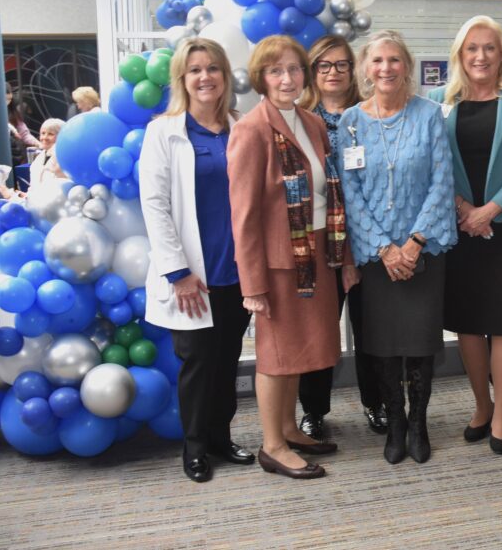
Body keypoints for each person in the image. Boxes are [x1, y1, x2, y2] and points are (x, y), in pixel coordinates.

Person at [229, 35, 347, 480]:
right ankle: (273, 445)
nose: (287, 78)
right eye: (276, 71)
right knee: (276, 355)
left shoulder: (311, 122)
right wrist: (252, 284)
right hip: (278, 263)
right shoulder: (252, 129)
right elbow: (244, 216)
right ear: (261, 77)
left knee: (297, 353)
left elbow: (329, 194)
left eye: (295, 69)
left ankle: (289, 428)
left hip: (314, 252)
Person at [138, 37, 255, 483]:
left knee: (228, 360)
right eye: (195, 70)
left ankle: (222, 438)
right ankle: (195, 446)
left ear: (225, 76)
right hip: (191, 275)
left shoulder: (241, 127)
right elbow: (154, 205)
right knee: (197, 362)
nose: (204, 77)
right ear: (182, 80)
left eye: (213, 68)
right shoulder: (163, 132)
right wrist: (178, 273)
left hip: (237, 270)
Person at [338, 30, 457, 465]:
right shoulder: (350, 122)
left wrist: (414, 243)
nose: (386, 68)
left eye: (394, 60)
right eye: (377, 61)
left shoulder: (430, 115)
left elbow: (442, 182)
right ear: (366, 68)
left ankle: (420, 422)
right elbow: (350, 193)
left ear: (406, 65)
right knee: (385, 345)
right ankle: (396, 423)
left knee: (420, 343)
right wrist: (386, 250)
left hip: (423, 251)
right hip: (376, 258)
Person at [427, 15, 502, 455]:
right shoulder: (438, 101)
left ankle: (500, 415)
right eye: (472, 48)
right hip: (459, 230)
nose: (481, 56)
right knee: (469, 326)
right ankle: (479, 405)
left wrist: (488, 211)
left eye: (490, 47)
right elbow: (433, 164)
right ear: (460, 54)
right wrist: (464, 211)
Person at [296, 35, 386, 441]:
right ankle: (314, 410)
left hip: (369, 239)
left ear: (354, 70)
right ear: (313, 72)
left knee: (372, 329)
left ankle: (377, 403)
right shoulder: (297, 119)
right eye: (323, 65)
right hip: (318, 243)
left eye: (341, 65)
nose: (333, 73)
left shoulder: (371, 114)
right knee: (318, 331)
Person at [28, 118, 68, 189]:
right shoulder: (39, 157)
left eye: (50, 134)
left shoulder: (64, 157)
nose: (45, 137)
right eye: (43, 133)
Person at [7, 84, 40, 151]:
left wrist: (39, 144)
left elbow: (24, 134)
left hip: (14, 153)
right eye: (3, 99)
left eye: (9, 99)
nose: (6, 103)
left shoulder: (13, 113)